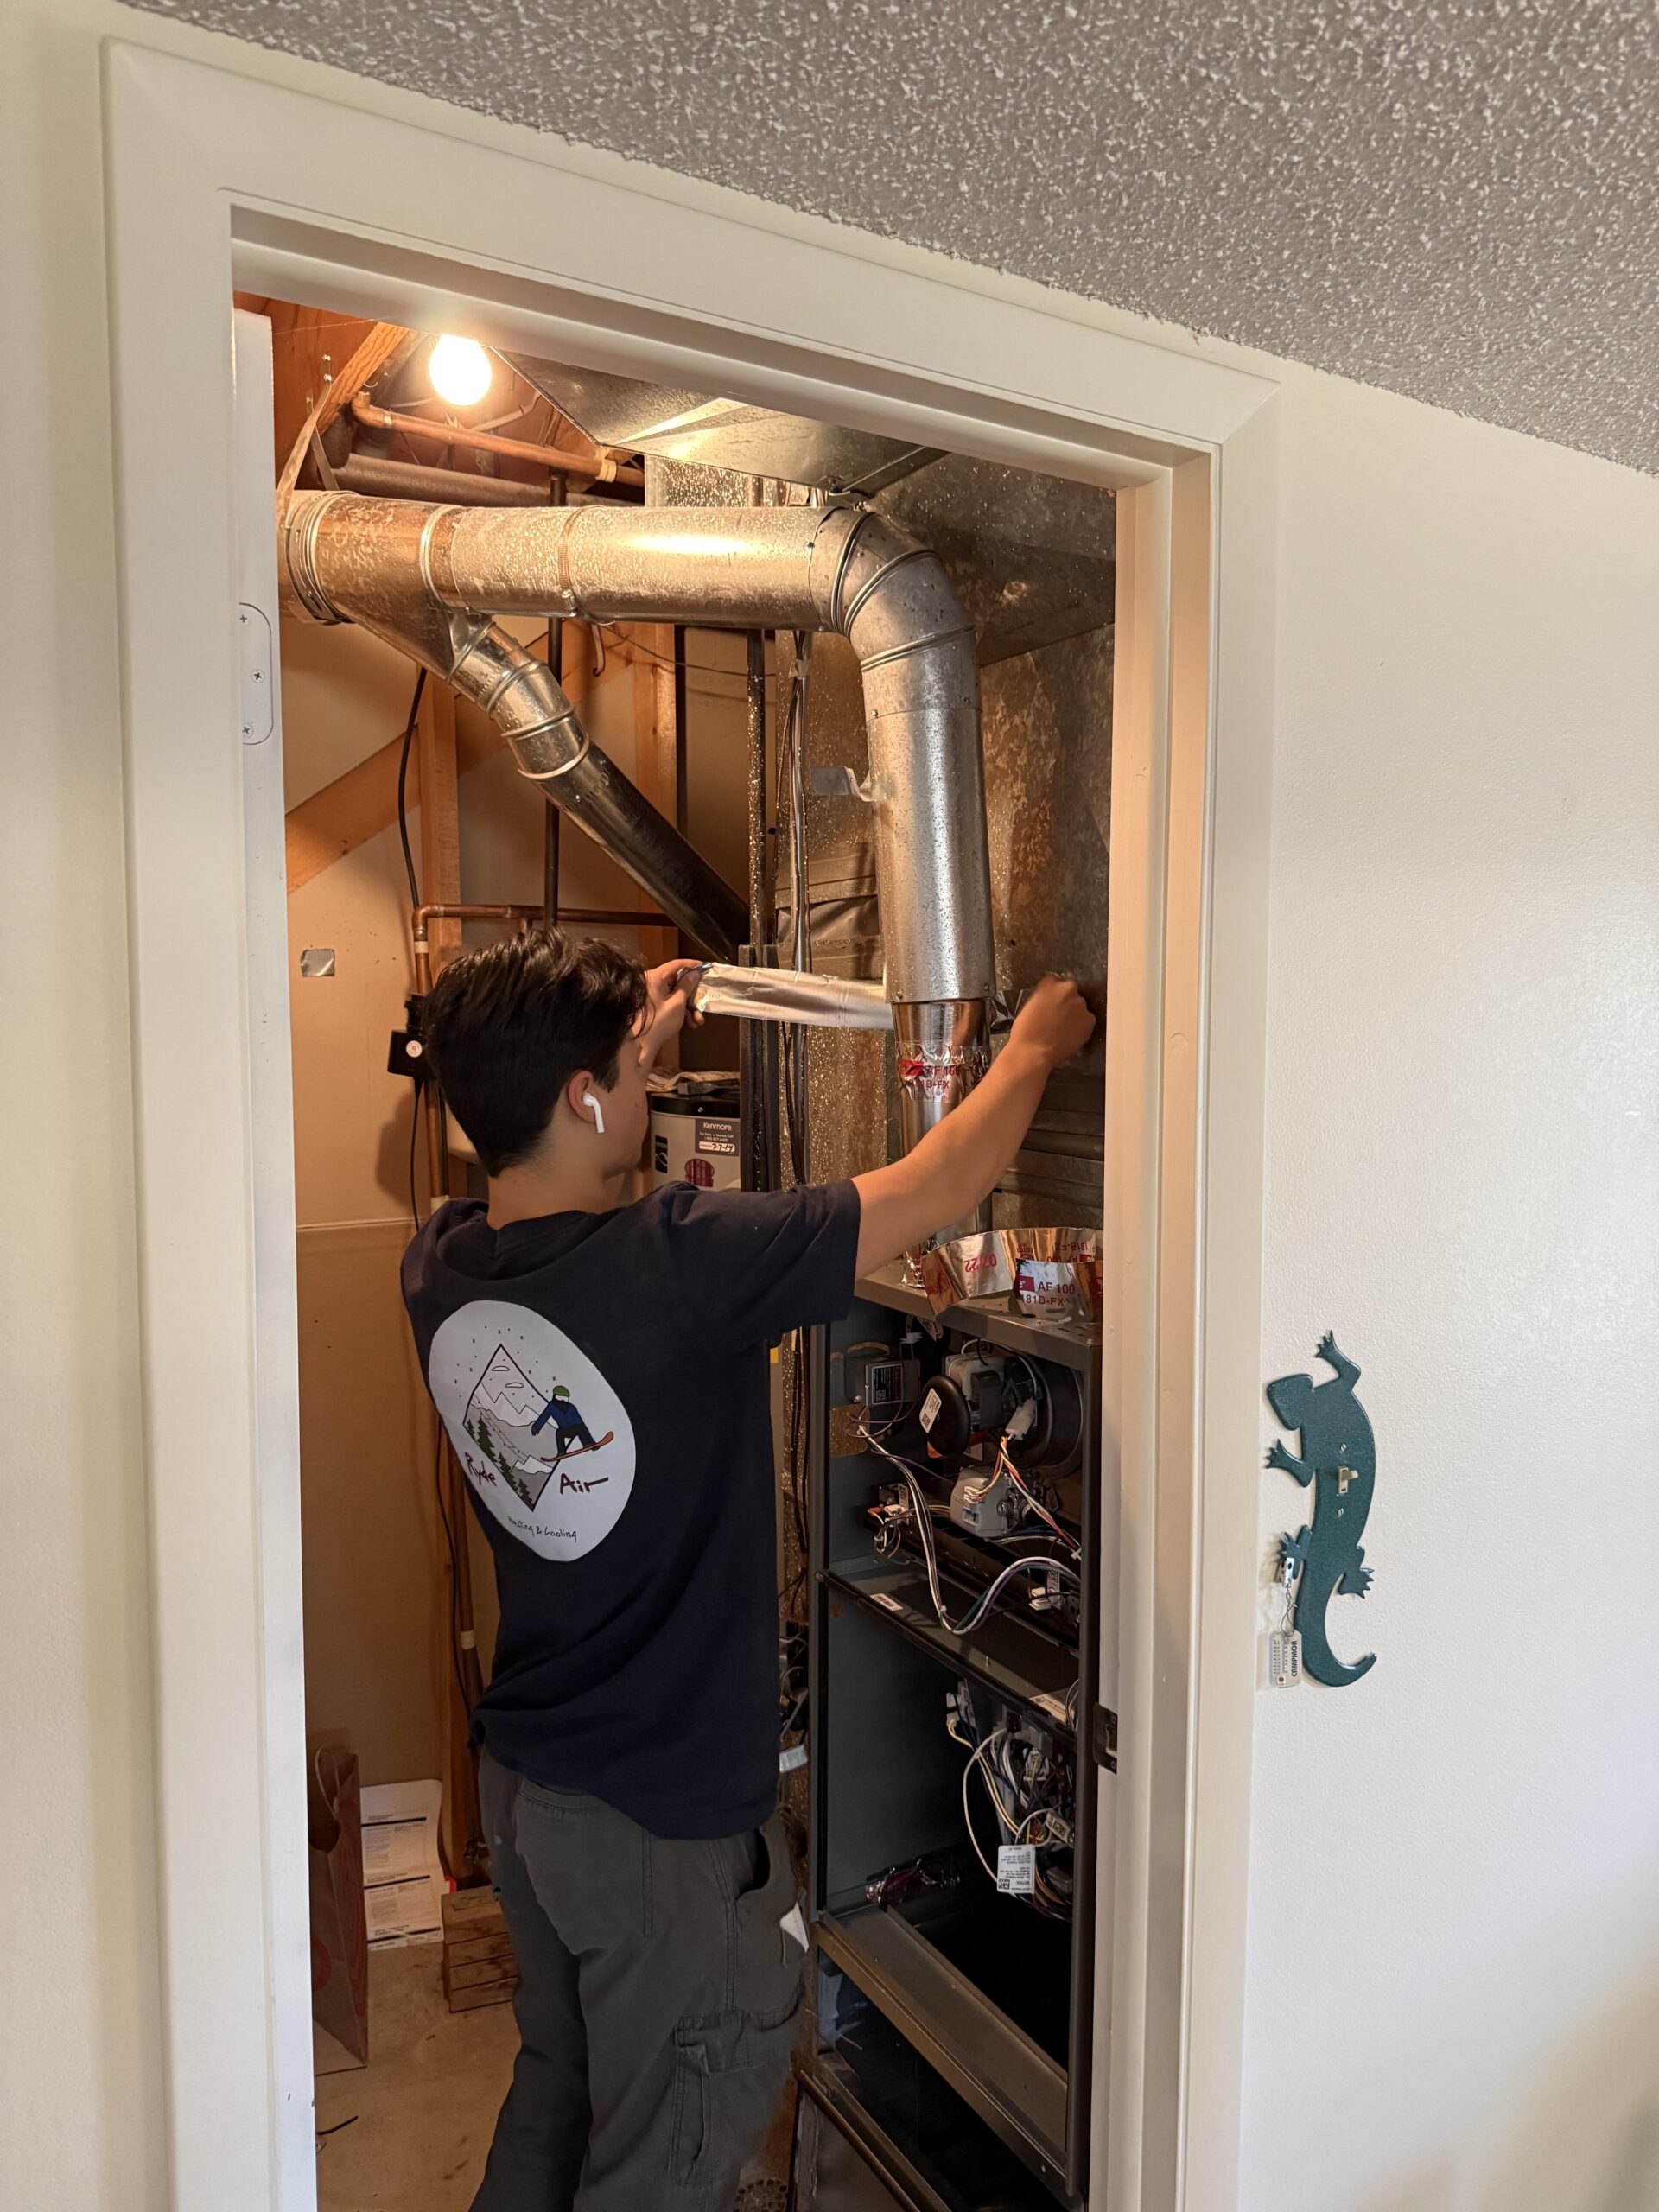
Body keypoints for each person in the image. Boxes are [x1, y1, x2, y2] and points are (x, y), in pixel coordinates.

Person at [403, 928, 1095, 2212]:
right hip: (656, 1824)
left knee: (562, 2087)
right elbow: (942, 1182)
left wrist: (620, 1040)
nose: (652, 1082)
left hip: (533, 1795)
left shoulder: (441, 1264)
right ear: (584, 1096)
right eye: (636, 1071)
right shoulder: (678, 1260)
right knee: (667, 2149)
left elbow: (554, 1130)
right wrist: (1041, 1046)